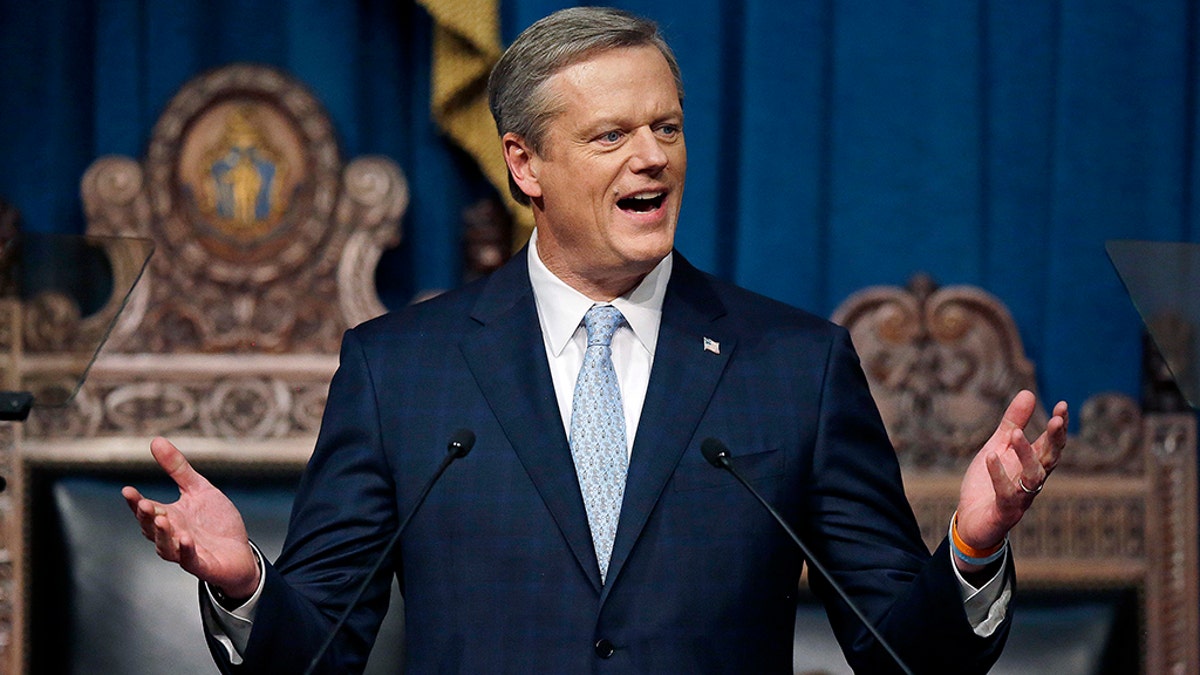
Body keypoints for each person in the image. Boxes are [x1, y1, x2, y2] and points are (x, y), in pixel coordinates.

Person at [123, 7, 1067, 673]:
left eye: (668, 126)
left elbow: (910, 656)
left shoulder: (794, 368)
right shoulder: (400, 371)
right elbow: (317, 652)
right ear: (524, 163)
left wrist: (973, 548)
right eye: (612, 135)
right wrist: (247, 582)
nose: (653, 156)